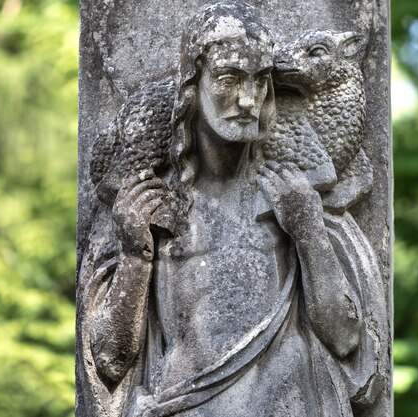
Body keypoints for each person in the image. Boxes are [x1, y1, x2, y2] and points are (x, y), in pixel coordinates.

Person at [77, 2, 385, 416]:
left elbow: (347, 340)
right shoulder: (149, 204)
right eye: (228, 78)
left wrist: (310, 233)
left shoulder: (294, 194)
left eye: (259, 82)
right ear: (192, 85)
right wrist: (136, 255)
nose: (246, 99)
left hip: (290, 402)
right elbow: (110, 361)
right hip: (183, 404)